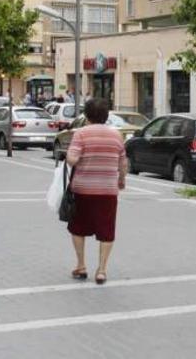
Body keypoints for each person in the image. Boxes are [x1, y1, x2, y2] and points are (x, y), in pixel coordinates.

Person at [65, 98, 127, 285]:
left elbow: (72, 160)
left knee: (78, 227)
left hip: (83, 189)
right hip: (108, 190)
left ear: (87, 115)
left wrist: (69, 154)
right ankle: (101, 270)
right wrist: (121, 180)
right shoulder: (117, 136)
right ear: (106, 115)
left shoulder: (81, 134)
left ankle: (81, 265)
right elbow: (123, 162)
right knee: (106, 229)